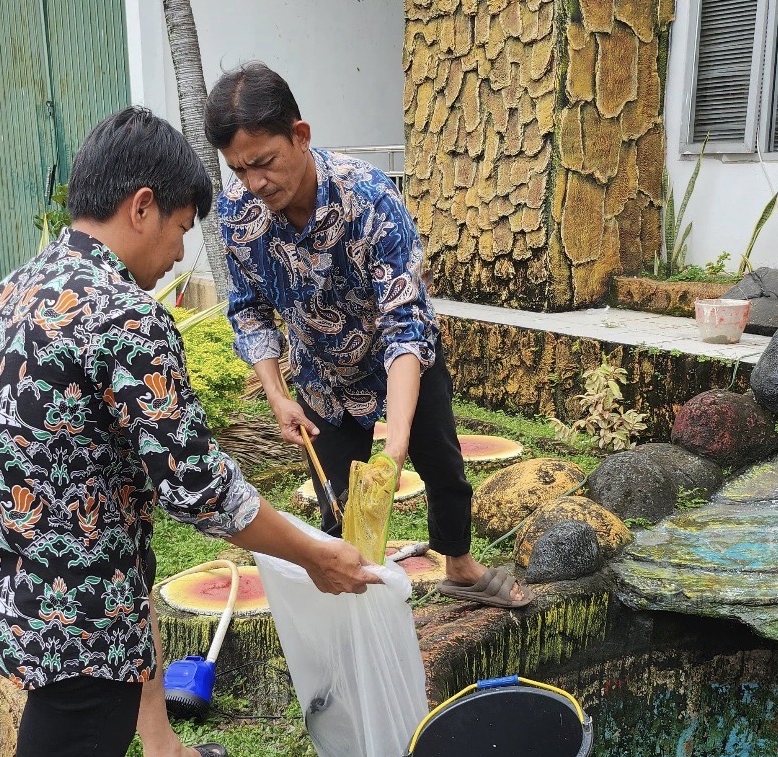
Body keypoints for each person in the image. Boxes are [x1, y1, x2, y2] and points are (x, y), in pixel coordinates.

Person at [0, 106, 380, 757]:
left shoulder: (21, 284)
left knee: (128, 620)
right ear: (142, 206)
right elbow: (201, 489)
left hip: (11, 589)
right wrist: (316, 553)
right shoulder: (126, 315)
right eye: (182, 229)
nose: (181, 254)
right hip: (77, 633)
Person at [203, 61, 532, 610]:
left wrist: (396, 442)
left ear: (300, 135)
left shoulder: (370, 198)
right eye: (239, 170)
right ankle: (354, 602)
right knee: (337, 498)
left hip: (400, 360)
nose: (254, 183)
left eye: (264, 163)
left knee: (443, 466)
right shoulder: (239, 215)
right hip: (321, 373)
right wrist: (278, 394)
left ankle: (459, 564)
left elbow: (405, 321)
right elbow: (249, 311)